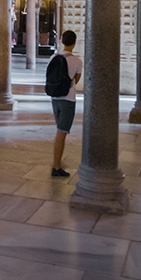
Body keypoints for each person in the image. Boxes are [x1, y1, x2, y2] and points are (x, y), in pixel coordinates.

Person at [48, 30, 83, 178]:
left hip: (55, 98)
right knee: (61, 133)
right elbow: (76, 80)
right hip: (68, 99)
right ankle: (56, 166)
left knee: (60, 130)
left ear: (62, 41)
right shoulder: (77, 61)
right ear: (74, 43)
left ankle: (57, 162)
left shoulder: (53, 57)